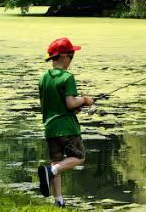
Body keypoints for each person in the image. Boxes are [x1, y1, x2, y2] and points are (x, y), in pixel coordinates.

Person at [37, 37, 94, 207]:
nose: (71, 60)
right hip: (67, 128)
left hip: (50, 127)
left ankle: (59, 201)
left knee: (57, 160)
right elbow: (70, 102)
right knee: (78, 157)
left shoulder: (43, 78)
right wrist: (84, 100)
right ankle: (50, 171)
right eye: (72, 56)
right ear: (63, 57)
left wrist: (74, 107)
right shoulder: (67, 77)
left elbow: (56, 103)